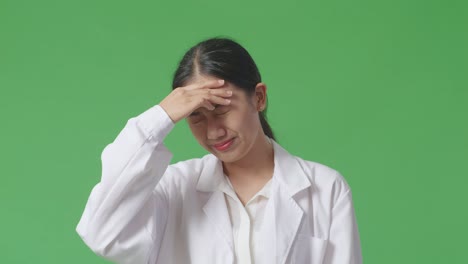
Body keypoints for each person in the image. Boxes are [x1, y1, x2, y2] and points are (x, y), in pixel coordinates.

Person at [76, 37, 363, 264]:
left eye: (222, 110)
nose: (213, 132)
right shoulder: (174, 189)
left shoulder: (326, 190)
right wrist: (160, 116)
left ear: (259, 97)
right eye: (196, 116)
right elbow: (101, 231)